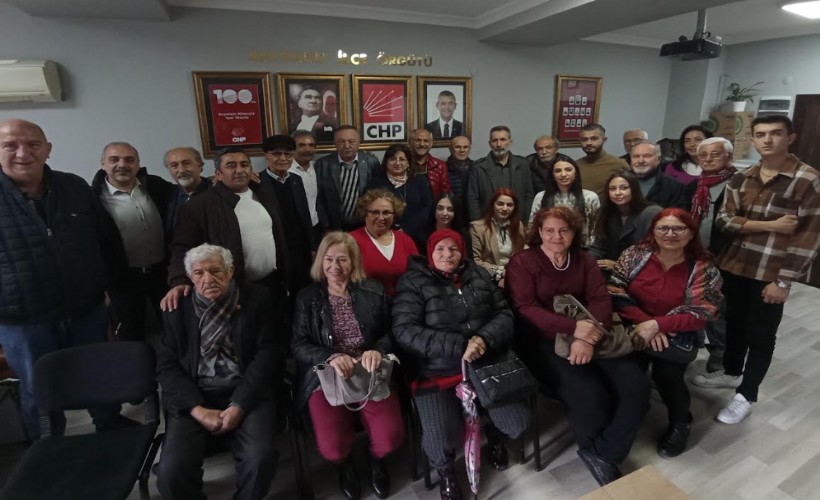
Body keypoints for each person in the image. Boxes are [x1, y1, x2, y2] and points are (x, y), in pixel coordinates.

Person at [0, 118, 131, 441]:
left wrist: (111, 291)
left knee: (98, 375)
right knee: (39, 389)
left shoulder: (74, 187)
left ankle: (109, 426)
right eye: (10, 145)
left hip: (86, 308)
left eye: (32, 144)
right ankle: (48, 448)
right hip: (23, 320)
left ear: (47, 149)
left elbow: (106, 240)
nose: (22, 153)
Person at [505, 207, 649, 486]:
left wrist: (586, 337)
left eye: (564, 230)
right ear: (539, 232)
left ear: (574, 233)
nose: (556, 236)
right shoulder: (522, 262)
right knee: (589, 395)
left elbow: (601, 300)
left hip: (593, 330)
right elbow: (525, 308)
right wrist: (572, 329)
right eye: (549, 230)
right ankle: (601, 454)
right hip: (543, 339)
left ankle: (602, 453)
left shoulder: (584, 260)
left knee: (637, 387)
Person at [692, 116, 820, 425]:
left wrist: (784, 280)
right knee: (735, 323)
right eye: (761, 134)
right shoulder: (744, 177)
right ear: (752, 140)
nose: (768, 140)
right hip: (736, 264)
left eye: (776, 134)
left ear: (791, 137)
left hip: (771, 271)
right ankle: (733, 372)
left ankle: (746, 395)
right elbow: (725, 220)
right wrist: (772, 225)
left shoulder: (807, 179)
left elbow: (808, 235)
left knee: (762, 335)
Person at [393, 228, 532, 500]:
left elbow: (504, 313)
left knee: (517, 422)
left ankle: (491, 431)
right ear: (430, 252)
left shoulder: (478, 274)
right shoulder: (413, 282)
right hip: (438, 372)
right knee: (441, 439)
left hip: (485, 364)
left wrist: (483, 338)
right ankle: (446, 473)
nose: (448, 254)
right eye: (440, 249)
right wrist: (459, 346)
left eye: (453, 249)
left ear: (462, 251)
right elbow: (405, 330)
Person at [156, 244, 279, 500]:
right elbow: (166, 368)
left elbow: (267, 355)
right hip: (195, 394)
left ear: (230, 271)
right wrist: (197, 409)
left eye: (215, 270)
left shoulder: (257, 299)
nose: (207, 279)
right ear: (190, 277)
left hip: (246, 391)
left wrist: (239, 405)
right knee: (170, 471)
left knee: (260, 459)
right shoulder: (176, 308)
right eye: (199, 273)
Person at [291, 232, 404, 500]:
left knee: (390, 438)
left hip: (369, 372)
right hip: (326, 377)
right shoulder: (307, 298)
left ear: (353, 261)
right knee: (332, 448)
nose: (334, 267)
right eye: (328, 259)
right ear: (320, 261)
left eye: (342, 259)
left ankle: (376, 459)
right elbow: (297, 344)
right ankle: (346, 465)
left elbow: (391, 333)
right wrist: (329, 356)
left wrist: (378, 350)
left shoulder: (373, 290)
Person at [608, 208, 723, 458]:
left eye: (678, 228)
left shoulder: (704, 267)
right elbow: (615, 291)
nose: (670, 234)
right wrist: (646, 323)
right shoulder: (634, 254)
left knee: (668, 376)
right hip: (633, 325)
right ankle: (623, 419)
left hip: (676, 333)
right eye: (663, 228)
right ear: (653, 231)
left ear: (691, 233)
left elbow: (705, 312)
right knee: (625, 373)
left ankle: (680, 423)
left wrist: (658, 325)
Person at [163, 146, 289, 357]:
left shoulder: (263, 194)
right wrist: (178, 281)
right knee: (247, 345)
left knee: (273, 338)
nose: (239, 170)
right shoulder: (199, 205)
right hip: (236, 289)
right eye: (231, 166)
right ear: (218, 174)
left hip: (272, 284)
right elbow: (181, 247)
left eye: (244, 165)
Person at [91, 141, 172, 341]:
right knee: (130, 333)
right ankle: (139, 370)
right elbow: (90, 245)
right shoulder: (92, 198)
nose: (122, 164)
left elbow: (189, 190)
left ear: (137, 163)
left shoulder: (156, 186)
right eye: (114, 159)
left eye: (129, 160)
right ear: (102, 164)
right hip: (122, 279)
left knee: (172, 326)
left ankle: (173, 368)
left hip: (162, 273)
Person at [689, 137, 737, 372]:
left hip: (725, 257)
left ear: (729, 157)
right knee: (698, 302)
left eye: (715, 154)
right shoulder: (697, 185)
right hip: (695, 254)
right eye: (703, 155)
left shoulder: (737, 184)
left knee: (719, 307)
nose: (708, 159)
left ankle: (721, 358)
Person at [259, 134, 316, 295]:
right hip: (276, 249)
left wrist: (312, 247)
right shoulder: (257, 182)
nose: (283, 158)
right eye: (277, 154)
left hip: (300, 248)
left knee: (303, 288)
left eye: (288, 154)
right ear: (266, 156)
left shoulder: (296, 180)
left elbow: (305, 216)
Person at [349, 189, 418, 297]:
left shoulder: (405, 240)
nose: (381, 218)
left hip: (402, 305)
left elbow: (416, 275)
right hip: (365, 304)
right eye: (375, 212)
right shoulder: (350, 240)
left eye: (386, 213)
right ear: (365, 213)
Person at [589, 171, 662, 273]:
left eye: (624, 188)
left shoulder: (651, 213)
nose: (618, 192)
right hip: (612, 275)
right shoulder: (607, 213)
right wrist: (590, 260)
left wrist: (618, 265)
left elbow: (656, 252)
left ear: (634, 190)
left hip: (644, 274)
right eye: (612, 189)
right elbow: (598, 247)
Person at [366, 143, 433, 251]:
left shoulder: (419, 181)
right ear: (386, 162)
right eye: (393, 159)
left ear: (408, 163)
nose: (397, 163)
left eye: (402, 159)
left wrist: (407, 229)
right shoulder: (376, 182)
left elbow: (427, 207)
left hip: (416, 235)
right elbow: (369, 210)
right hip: (382, 236)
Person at [315, 126, 381, 231]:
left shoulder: (371, 162)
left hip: (364, 224)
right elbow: (319, 199)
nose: (347, 146)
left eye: (351, 141)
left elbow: (377, 194)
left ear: (359, 142)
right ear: (335, 143)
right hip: (334, 225)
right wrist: (326, 227)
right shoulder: (323, 164)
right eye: (341, 141)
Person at [467, 125, 535, 223]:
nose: (499, 144)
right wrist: (477, 225)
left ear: (510, 142)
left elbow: (528, 195)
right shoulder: (478, 167)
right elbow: (472, 199)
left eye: (503, 140)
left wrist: (524, 221)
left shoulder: (523, 165)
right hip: (488, 223)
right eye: (495, 140)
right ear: (490, 144)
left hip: (516, 223)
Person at [529, 157, 600, 246]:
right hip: (549, 248)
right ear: (552, 175)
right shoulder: (541, 197)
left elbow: (596, 229)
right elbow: (533, 227)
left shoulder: (590, 197)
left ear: (576, 173)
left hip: (582, 249)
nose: (563, 174)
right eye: (558, 171)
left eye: (568, 170)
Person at [470, 188, 526, 287]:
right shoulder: (477, 228)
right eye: (500, 204)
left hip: (515, 277)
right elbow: (476, 260)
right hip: (488, 279)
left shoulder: (519, 226)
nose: (505, 208)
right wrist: (501, 273)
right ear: (493, 205)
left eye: (510, 205)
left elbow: (522, 254)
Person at [629, 140, 688, 209]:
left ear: (659, 159)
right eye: (636, 156)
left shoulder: (675, 187)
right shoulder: (617, 181)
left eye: (647, 156)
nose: (640, 161)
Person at [164, 146, 209, 235]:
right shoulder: (166, 195)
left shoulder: (217, 191)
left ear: (199, 166)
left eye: (186, 163)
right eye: (174, 165)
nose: (181, 170)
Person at [575, 124, 629, 195]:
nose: (589, 143)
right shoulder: (575, 165)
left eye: (594, 139)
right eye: (584, 139)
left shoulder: (619, 164)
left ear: (604, 140)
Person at [288, 130, 321, 242]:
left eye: (311, 145)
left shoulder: (318, 167)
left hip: (316, 226)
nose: (307, 149)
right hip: (294, 229)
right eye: (301, 145)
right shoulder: (285, 171)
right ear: (292, 148)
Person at [409, 128, 451, 199]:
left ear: (431, 144)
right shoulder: (401, 164)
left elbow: (445, 193)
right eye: (418, 140)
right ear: (410, 142)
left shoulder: (440, 166)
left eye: (426, 141)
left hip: (433, 207)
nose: (422, 144)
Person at [445, 135, 473, 225]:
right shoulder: (443, 168)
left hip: (471, 215)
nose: (462, 150)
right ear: (450, 149)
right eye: (458, 147)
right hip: (449, 215)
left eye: (465, 147)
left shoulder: (477, 168)